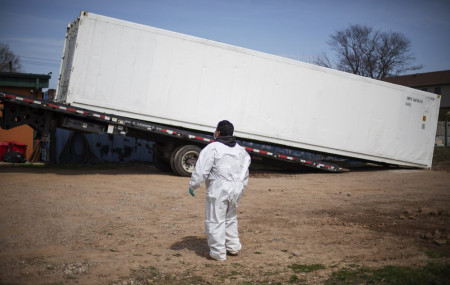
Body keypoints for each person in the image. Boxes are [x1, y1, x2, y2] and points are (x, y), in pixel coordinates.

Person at [188, 120, 251, 261]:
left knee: (215, 220)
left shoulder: (213, 148)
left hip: (219, 189)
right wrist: (241, 187)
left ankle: (217, 253)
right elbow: (245, 173)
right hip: (236, 189)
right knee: (230, 218)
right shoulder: (242, 151)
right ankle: (233, 247)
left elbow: (201, 170)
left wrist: (193, 185)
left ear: (218, 132)